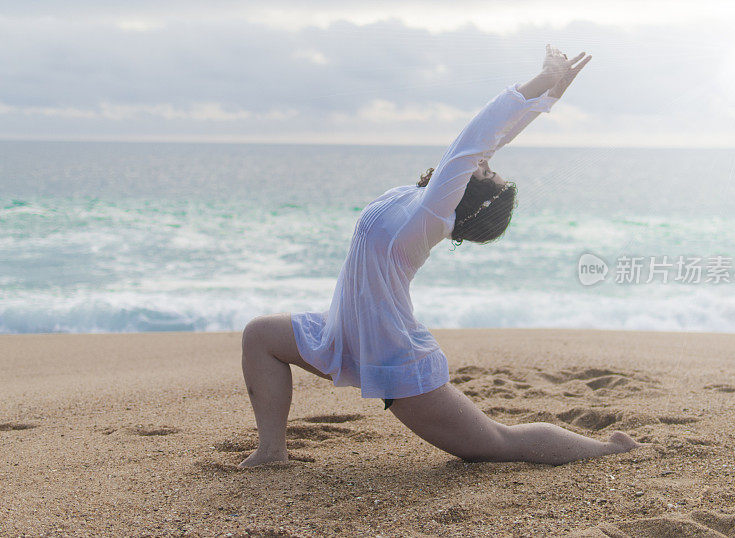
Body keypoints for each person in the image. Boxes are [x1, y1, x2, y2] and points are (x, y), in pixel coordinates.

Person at [239, 45, 642, 468]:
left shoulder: (430, 215)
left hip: (393, 352)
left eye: (482, 172)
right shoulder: (418, 202)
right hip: (343, 330)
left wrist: (542, 79)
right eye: (485, 166)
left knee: (494, 446)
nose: (482, 164)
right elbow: (491, 141)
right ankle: (271, 452)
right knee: (260, 336)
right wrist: (550, 96)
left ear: (465, 193)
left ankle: (608, 451)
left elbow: (475, 139)